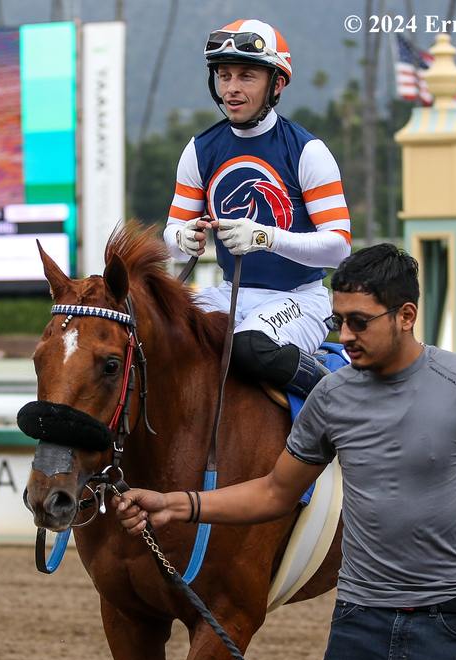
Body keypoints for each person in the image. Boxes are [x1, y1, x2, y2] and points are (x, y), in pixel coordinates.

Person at [117, 244, 456, 660]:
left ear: (405, 316)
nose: (344, 336)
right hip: (356, 627)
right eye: (339, 321)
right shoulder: (330, 395)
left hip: (448, 628)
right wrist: (177, 504)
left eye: (359, 323)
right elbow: (274, 492)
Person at [163, 19, 351, 398]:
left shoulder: (307, 151)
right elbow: (169, 238)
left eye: (246, 76)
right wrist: (184, 236)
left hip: (298, 298)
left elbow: (339, 246)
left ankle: (340, 398)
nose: (231, 88)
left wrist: (265, 237)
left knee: (248, 347)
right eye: (224, 75)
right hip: (228, 290)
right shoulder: (200, 149)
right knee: (156, 330)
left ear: (276, 84)